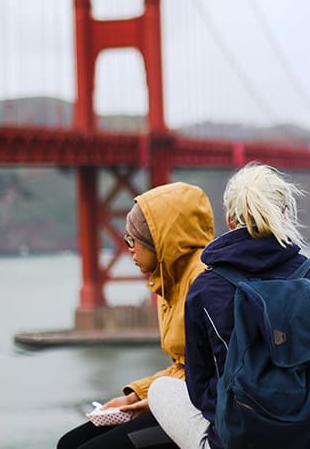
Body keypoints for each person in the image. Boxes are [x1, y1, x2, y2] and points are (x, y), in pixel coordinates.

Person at [148, 163, 310, 449]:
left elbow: (199, 384)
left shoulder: (205, 288)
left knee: (161, 389)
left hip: (238, 440)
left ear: (229, 219)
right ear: (284, 214)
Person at [58, 181, 215, 449]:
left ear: (161, 240)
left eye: (134, 240)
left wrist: (152, 402)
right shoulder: (168, 281)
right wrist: (134, 397)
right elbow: (183, 365)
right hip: (184, 397)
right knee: (69, 443)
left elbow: (213, 369)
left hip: (204, 412)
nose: (128, 248)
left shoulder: (204, 283)